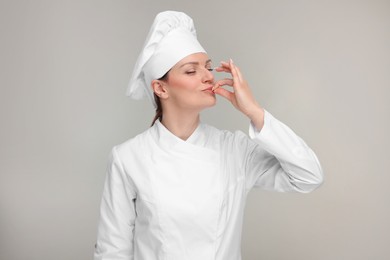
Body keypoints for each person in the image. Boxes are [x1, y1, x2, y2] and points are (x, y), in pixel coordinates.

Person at [94, 10, 324, 260]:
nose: (208, 76)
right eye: (191, 71)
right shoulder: (128, 157)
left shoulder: (234, 150)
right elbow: (112, 251)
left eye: (209, 67)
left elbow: (309, 176)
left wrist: (255, 111)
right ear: (161, 88)